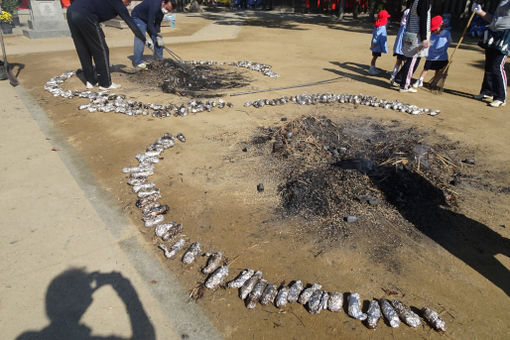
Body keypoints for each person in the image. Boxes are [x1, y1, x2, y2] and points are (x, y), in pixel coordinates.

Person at [67, 0, 146, 90]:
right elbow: (130, 22)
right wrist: (143, 38)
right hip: (86, 15)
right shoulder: (118, 3)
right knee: (101, 50)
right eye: (129, 1)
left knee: (83, 48)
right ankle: (105, 83)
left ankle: (90, 81)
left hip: (71, 12)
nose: (129, 3)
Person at [472, 1, 510, 108]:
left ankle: (500, 97)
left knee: (497, 66)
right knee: (489, 65)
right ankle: (487, 92)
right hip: (494, 33)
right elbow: (495, 19)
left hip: (506, 35)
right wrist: (480, 12)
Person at [394, 0, 431, 93]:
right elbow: (423, 19)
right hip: (416, 36)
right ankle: (404, 85)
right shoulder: (423, 2)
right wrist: (424, 38)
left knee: (412, 60)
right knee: (412, 60)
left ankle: (399, 78)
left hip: (411, 33)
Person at [131, 0, 174, 70]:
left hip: (148, 19)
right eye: (167, 9)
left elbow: (157, 24)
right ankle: (137, 62)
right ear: (163, 2)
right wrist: (156, 35)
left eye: (169, 10)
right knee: (141, 37)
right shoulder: (155, 5)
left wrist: (158, 35)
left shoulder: (162, 10)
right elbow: (150, 24)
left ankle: (159, 60)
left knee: (158, 39)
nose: (167, 11)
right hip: (138, 17)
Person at [413, 15, 451, 88]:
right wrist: (419, 48)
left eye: (436, 29)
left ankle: (434, 82)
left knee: (438, 70)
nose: (434, 31)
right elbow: (427, 42)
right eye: (433, 30)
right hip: (431, 56)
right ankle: (420, 80)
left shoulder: (446, 33)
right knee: (426, 69)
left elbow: (449, 42)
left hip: (441, 56)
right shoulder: (431, 35)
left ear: (441, 25)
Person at [390, 1, 412, 84]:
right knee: (405, 61)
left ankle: (394, 75)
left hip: (400, 46)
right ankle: (399, 77)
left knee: (399, 60)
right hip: (404, 45)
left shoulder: (402, 25)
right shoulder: (410, 13)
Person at [369, 10, 391, 76]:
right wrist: (374, 43)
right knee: (375, 57)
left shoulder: (379, 24)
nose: (387, 18)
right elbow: (377, 35)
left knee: (375, 56)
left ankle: (373, 67)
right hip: (376, 45)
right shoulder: (381, 26)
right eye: (386, 17)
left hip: (377, 45)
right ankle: (371, 69)